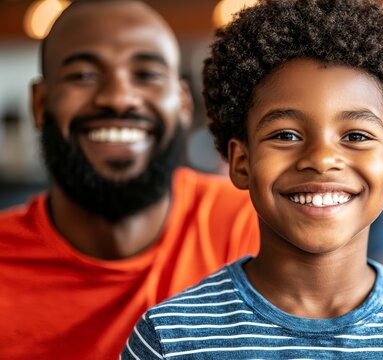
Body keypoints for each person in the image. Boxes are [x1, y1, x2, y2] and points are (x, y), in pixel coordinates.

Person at [122, 0, 383, 358]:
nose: (322, 159)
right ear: (241, 162)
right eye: (286, 135)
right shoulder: (170, 338)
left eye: (356, 136)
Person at [0, 1, 260, 359]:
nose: (119, 98)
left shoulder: (253, 226)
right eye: (83, 76)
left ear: (184, 104)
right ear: (40, 104)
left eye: (147, 75)